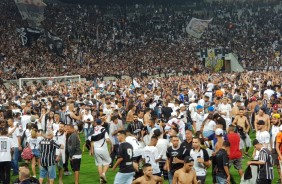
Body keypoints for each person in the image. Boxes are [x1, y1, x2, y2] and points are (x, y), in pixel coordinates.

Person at [89, 119, 112, 183]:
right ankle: (103, 174)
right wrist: (111, 144)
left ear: (96, 123)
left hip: (96, 149)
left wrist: (91, 150)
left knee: (99, 164)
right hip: (103, 149)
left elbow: (91, 140)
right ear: (101, 123)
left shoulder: (93, 130)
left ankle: (101, 179)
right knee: (108, 161)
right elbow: (107, 139)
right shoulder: (103, 129)